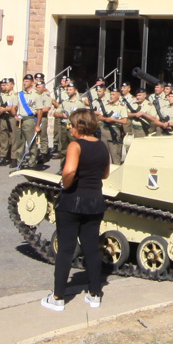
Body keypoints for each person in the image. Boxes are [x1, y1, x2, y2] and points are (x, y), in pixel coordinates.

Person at [43, 109, 109, 312]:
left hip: (73, 200)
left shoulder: (75, 145)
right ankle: (95, 293)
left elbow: (70, 170)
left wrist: (66, 183)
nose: (70, 128)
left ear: (80, 126)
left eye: (72, 125)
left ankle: (58, 297)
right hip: (95, 200)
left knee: (65, 249)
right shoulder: (102, 146)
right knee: (91, 248)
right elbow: (105, 174)